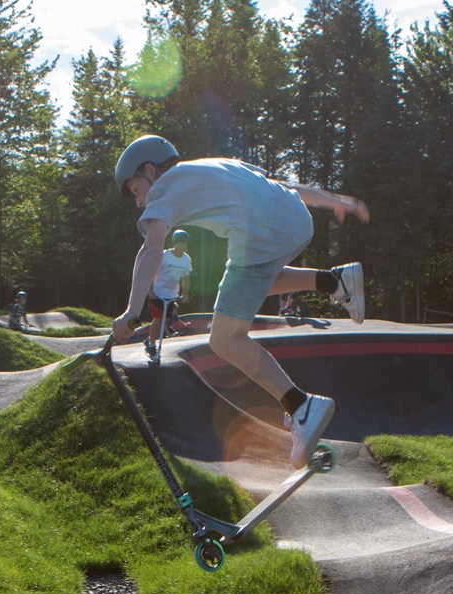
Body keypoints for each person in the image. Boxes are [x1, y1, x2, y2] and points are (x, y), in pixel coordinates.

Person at [110, 135, 368, 469]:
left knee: (224, 339)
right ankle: (335, 281)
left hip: (259, 236)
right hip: (297, 219)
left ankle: (301, 406)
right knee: (253, 282)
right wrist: (334, 201)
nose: (139, 202)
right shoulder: (214, 165)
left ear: (149, 170)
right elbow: (283, 185)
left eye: (135, 190)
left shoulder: (163, 188)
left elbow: (151, 248)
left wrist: (132, 312)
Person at [148, 229, 193, 341]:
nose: (182, 247)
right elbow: (151, 273)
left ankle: (151, 339)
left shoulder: (186, 259)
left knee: (167, 318)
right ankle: (152, 343)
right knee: (158, 318)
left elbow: (186, 278)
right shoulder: (164, 255)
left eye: (185, 244)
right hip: (158, 293)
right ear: (175, 243)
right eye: (180, 244)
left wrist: (185, 294)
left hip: (172, 294)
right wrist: (151, 291)